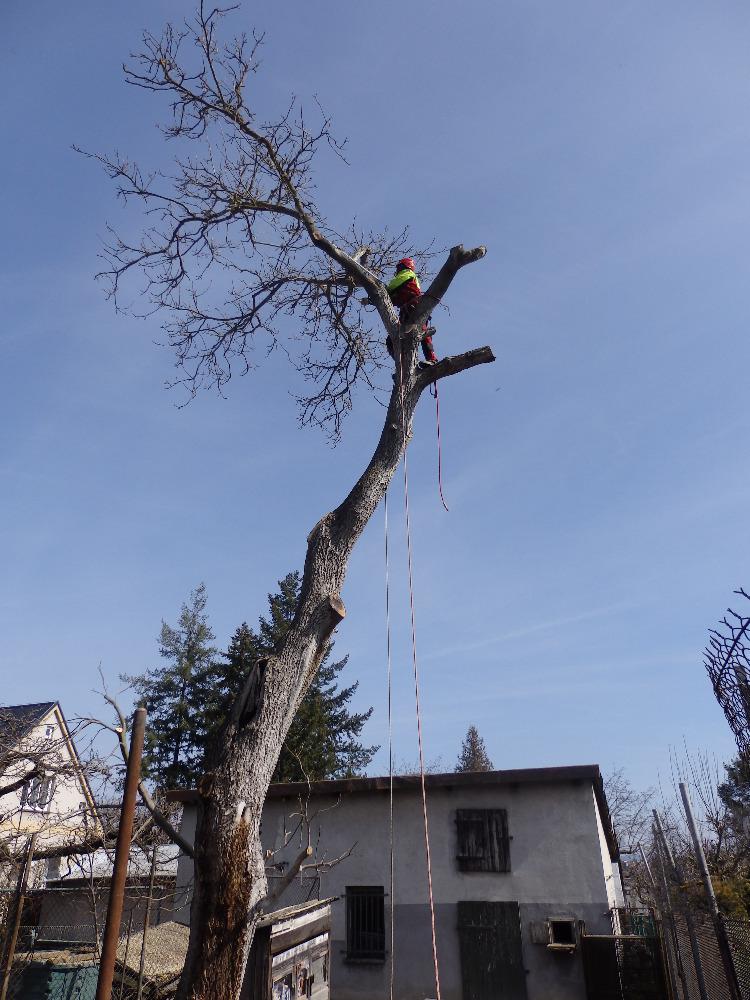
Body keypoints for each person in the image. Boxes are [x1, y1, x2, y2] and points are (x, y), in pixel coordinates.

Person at [385, 258, 437, 367]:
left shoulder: (408, 274)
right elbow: (393, 298)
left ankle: (432, 359)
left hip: (415, 308)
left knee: (422, 332)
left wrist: (385, 289)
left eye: (399, 267)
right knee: (391, 340)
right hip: (406, 313)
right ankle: (404, 364)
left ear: (404, 266)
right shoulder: (402, 285)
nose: (398, 270)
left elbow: (394, 285)